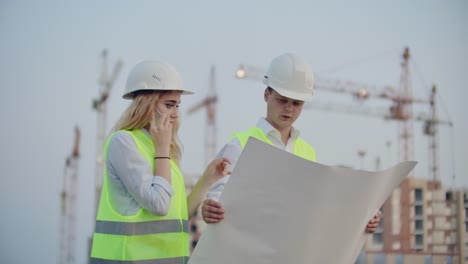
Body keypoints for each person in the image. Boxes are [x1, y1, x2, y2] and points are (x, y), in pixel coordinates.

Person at [201, 52, 381, 232]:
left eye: (297, 103)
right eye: (282, 100)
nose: (288, 108)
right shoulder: (240, 144)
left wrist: (363, 217)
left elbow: (320, 206)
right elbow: (220, 196)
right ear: (266, 94)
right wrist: (211, 208)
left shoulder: (308, 152)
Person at [90, 60, 230, 264]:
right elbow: (159, 205)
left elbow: (178, 215)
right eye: (169, 105)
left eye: (177, 105)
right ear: (146, 103)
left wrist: (207, 180)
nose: (175, 113)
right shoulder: (124, 142)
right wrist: (163, 148)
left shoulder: (162, 150)